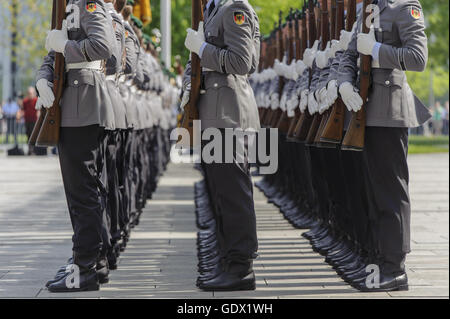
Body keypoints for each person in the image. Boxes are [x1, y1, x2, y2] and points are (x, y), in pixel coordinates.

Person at [337, 0, 430, 292]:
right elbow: (347, 56)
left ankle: (395, 268)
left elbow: (418, 57)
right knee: (372, 191)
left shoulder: (405, 7)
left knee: (390, 193)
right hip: (364, 111)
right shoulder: (364, 8)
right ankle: (377, 262)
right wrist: (344, 83)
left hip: (390, 113)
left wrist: (376, 51)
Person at [36, 0, 116, 292]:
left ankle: (85, 266)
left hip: (84, 103)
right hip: (72, 103)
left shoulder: (88, 3)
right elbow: (53, 54)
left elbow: (103, 47)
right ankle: (95, 261)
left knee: (83, 192)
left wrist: (66, 46)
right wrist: (42, 80)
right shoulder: (68, 4)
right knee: (84, 190)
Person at [182, 0, 261, 291]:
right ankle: (228, 260)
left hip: (229, 113)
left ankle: (241, 267)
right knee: (221, 193)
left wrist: (203, 50)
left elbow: (243, 62)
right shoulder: (215, 9)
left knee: (233, 194)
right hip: (214, 111)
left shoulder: (234, 8)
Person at [22, 87, 38, 154]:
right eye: (29, 93)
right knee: (28, 135)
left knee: (34, 136)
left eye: (31, 93)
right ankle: (30, 150)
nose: (30, 95)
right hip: (27, 120)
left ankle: (34, 150)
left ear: (34, 93)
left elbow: (39, 109)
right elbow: (23, 109)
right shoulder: (25, 101)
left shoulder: (36, 100)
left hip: (35, 120)